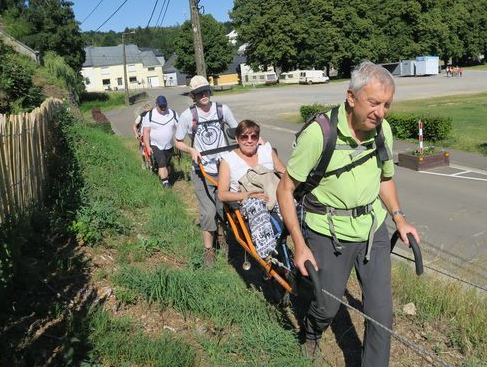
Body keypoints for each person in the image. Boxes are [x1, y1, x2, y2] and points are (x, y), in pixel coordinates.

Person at [277, 61, 420, 366]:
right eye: (374, 103)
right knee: (327, 306)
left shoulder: (383, 131)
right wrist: (300, 246)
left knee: (381, 313)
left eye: (386, 105)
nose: (380, 112)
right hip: (327, 233)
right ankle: (313, 333)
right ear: (351, 97)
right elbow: (285, 190)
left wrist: (399, 217)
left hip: (372, 231)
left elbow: (385, 178)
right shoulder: (319, 134)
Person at [174, 75, 238, 266]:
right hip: (202, 171)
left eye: (205, 91)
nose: (203, 95)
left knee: (223, 208)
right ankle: (208, 250)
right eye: (199, 92)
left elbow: (236, 131)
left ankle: (222, 237)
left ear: (210, 91)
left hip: (224, 169)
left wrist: (250, 138)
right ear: (193, 96)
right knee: (208, 212)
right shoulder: (188, 116)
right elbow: (177, 141)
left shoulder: (222, 110)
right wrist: (191, 149)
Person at [216, 120, 286, 258]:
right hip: (249, 200)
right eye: (244, 137)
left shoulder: (267, 151)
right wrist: (248, 195)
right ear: (237, 139)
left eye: (253, 137)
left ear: (258, 138)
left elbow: (285, 173)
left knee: (295, 204)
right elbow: (222, 194)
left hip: (273, 193)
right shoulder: (228, 160)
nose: (249, 141)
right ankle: (267, 255)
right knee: (256, 205)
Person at [143, 95, 178, 188]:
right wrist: (148, 146)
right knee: (162, 162)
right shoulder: (149, 115)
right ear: (156, 105)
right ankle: (165, 183)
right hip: (155, 144)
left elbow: (179, 128)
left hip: (169, 145)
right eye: (161, 106)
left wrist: (178, 143)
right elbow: (146, 132)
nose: (163, 108)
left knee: (166, 164)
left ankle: (162, 173)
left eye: (164, 106)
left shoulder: (173, 114)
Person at [133, 102, 152, 167]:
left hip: (152, 135)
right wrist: (136, 134)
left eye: (149, 107)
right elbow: (134, 126)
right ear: (145, 108)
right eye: (147, 107)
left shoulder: (154, 114)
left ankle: (148, 163)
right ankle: (144, 163)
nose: (148, 108)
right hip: (143, 135)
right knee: (144, 150)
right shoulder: (141, 116)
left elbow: (134, 126)